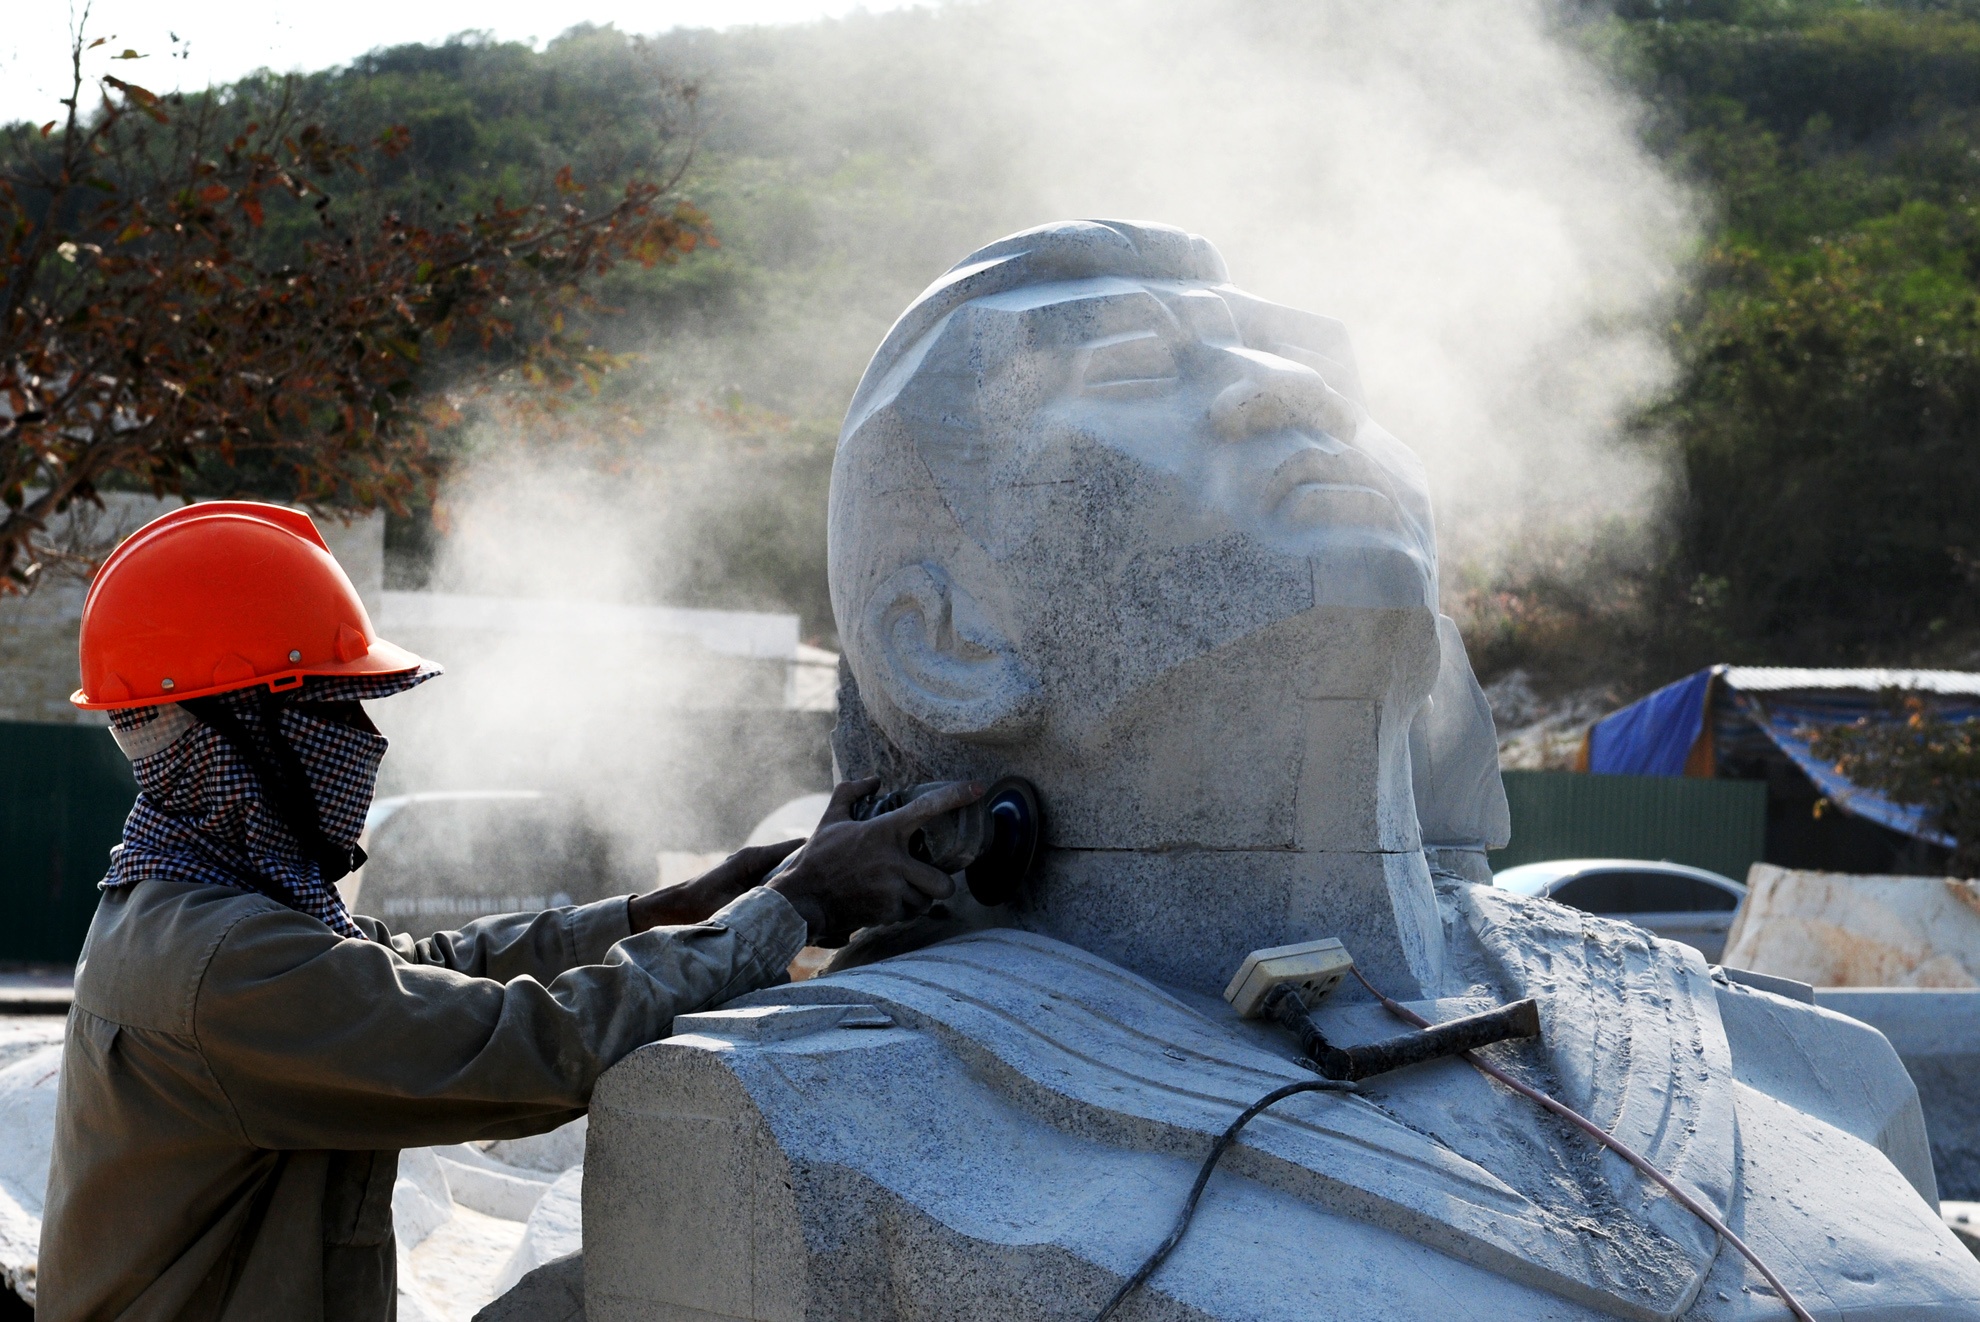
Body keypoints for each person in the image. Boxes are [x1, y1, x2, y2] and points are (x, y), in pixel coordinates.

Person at [35, 500, 974, 1322]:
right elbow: (533, 1047)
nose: (365, 739)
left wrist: (670, 908)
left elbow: (417, 968)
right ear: (244, 731)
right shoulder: (222, 964)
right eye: (335, 708)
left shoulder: (192, 904)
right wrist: (795, 906)